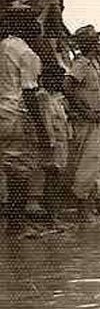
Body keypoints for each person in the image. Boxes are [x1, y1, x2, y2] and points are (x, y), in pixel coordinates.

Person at [0, 13, 48, 235]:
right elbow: (30, 93)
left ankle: (14, 223)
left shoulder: (3, 46)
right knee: (18, 172)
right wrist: (41, 128)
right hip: (16, 112)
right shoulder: (27, 54)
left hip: (2, 109)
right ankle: (17, 225)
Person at [64, 25, 100, 221]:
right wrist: (84, 111)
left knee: (98, 164)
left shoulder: (94, 65)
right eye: (96, 41)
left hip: (97, 121)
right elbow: (68, 87)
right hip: (86, 121)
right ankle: (83, 210)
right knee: (86, 164)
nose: (99, 44)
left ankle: (94, 206)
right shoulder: (81, 63)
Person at [38, 64, 71, 223]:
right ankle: (52, 217)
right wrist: (49, 142)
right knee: (52, 179)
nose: (59, 82)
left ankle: (54, 216)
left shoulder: (57, 98)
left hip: (61, 141)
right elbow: (45, 121)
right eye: (56, 78)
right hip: (52, 143)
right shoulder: (42, 96)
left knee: (56, 180)